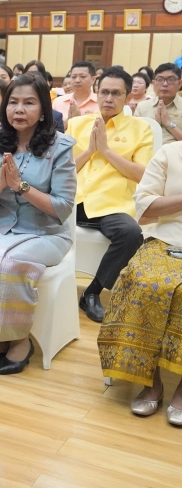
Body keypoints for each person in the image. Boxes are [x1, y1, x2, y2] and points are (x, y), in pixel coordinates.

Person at [0, 70, 77, 375]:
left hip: (47, 233)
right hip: (2, 228)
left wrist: (22, 187)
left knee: (12, 263)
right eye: (13, 102)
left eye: (29, 103)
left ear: (44, 109)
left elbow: (62, 209)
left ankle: (19, 340)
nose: (19, 109)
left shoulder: (61, 148)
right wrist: (1, 185)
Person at [98, 138, 182, 426]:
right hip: (166, 238)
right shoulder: (171, 152)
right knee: (141, 281)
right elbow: (145, 205)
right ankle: (151, 381)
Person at [68, 68, 153, 322]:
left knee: (131, 233)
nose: (109, 98)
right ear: (97, 92)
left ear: (128, 98)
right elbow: (63, 169)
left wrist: (105, 151)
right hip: (74, 201)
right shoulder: (77, 124)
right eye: (104, 92)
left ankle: (92, 292)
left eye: (116, 93)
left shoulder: (141, 129)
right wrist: (90, 150)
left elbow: (142, 175)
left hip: (110, 206)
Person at [134, 63, 182, 144]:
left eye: (171, 80)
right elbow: (133, 136)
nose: (165, 84)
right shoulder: (142, 107)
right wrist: (155, 126)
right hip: (146, 153)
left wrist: (169, 124)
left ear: (180, 83)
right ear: (153, 83)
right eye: (160, 80)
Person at [53, 61, 98, 127]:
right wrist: (69, 121)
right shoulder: (58, 102)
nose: (77, 80)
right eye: (74, 77)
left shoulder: (101, 103)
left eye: (82, 77)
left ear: (93, 80)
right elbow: (50, 129)